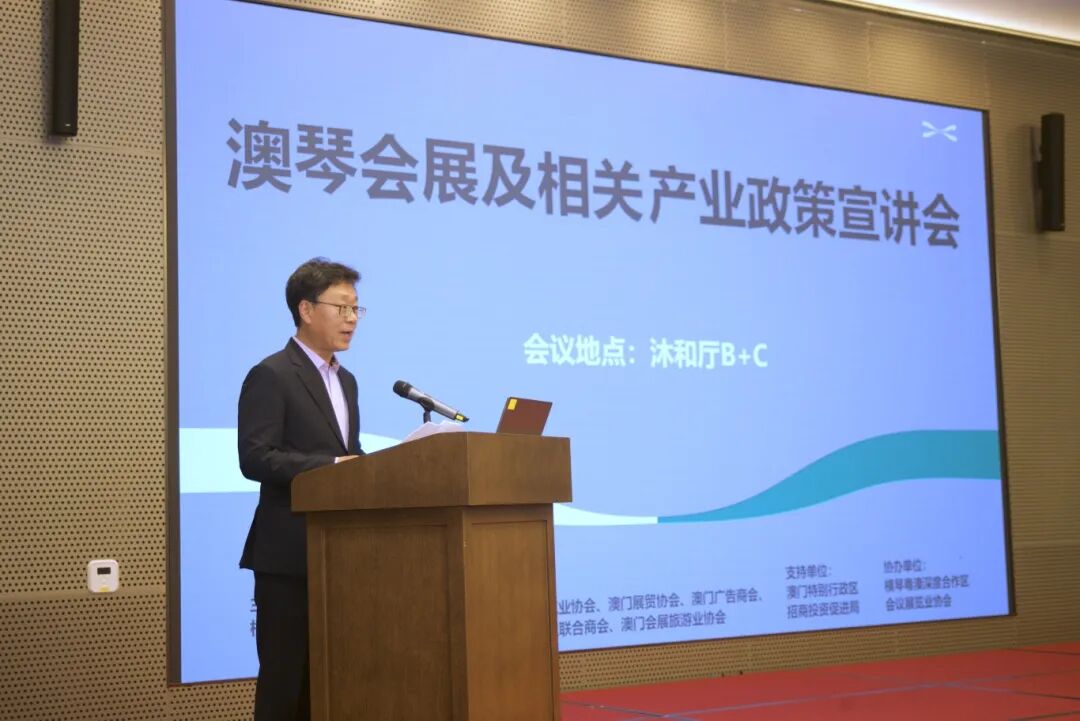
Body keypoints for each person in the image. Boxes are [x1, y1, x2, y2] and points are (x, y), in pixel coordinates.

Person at [237, 257, 365, 721]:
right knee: (285, 683)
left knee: (327, 681)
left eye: (356, 309)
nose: (352, 319)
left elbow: (348, 452)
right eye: (342, 307)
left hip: (337, 554)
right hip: (288, 556)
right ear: (306, 310)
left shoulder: (346, 380)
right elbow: (255, 457)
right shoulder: (271, 374)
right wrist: (331, 466)